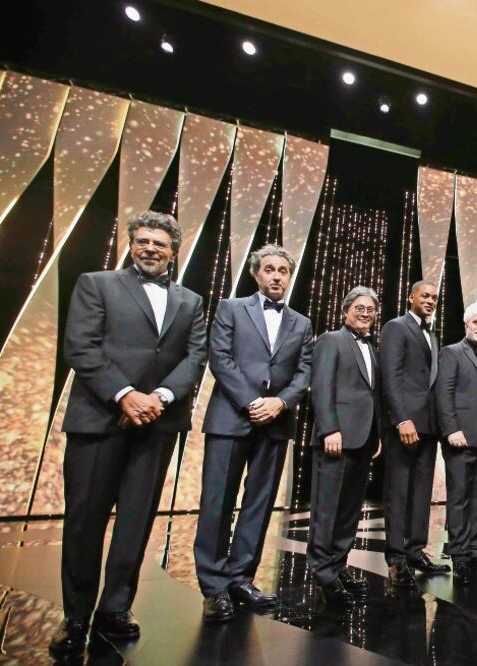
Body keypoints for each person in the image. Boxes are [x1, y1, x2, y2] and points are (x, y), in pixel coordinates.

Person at [51, 211, 207, 656]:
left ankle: (115, 608)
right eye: (142, 241)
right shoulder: (96, 283)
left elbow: (195, 358)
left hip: (157, 423)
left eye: (159, 243)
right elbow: (81, 345)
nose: (150, 249)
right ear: (131, 244)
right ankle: (76, 615)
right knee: (85, 522)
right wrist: (124, 395)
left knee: (136, 522)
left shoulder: (190, 301)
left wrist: (157, 397)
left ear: (174, 251)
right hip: (100, 420)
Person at [194, 244, 314, 622]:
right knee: (218, 501)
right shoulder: (232, 308)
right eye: (269, 269)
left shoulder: (302, 322)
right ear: (256, 274)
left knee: (258, 505)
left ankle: (240, 577)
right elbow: (220, 357)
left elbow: (305, 372)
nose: (276, 276)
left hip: (276, 424)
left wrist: (279, 403)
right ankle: (214, 587)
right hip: (232, 418)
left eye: (283, 270)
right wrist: (253, 401)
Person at [307, 286, 381, 604]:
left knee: (350, 512)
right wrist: (329, 429)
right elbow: (321, 387)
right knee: (327, 510)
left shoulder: (372, 349)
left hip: (363, 441)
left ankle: (337, 566)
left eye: (370, 310)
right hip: (336, 438)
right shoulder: (330, 340)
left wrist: (375, 435)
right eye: (359, 308)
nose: (364, 314)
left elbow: (372, 396)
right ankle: (323, 574)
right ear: (346, 310)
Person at [380, 280, 450, 587]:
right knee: (398, 491)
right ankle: (396, 557)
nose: (431, 300)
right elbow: (390, 377)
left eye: (435, 297)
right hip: (406, 425)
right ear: (411, 297)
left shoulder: (432, 336)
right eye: (425, 295)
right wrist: (401, 420)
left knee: (421, 492)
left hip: (428, 425)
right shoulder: (396, 327)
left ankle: (415, 550)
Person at [435, 302, 477, 584]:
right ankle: (459, 556)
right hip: (461, 438)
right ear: (466, 325)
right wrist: (451, 428)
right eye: (475, 322)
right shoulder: (451, 353)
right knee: (460, 498)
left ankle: (475, 551)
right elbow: (444, 393)